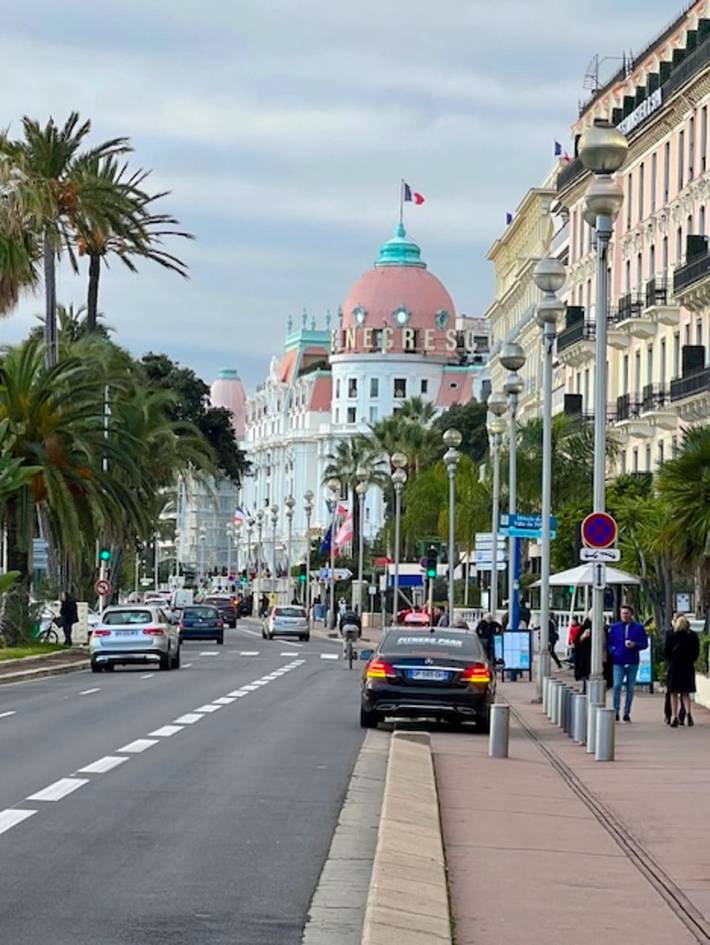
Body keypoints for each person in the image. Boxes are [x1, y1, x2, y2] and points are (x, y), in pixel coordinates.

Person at [608, 603, 649, 722]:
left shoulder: (638, 628)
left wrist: (635, 645)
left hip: (632, 661)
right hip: (618, 661)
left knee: (630, 688)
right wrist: (613, 651)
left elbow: (645, 643)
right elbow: (609, 643)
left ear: (631, 614)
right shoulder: (615, 628)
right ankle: (616, 710)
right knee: (617, 686)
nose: (624, 615)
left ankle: (627, 712)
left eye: (627, 613)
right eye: (622, 613)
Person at [665, 615, 699, 728]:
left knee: (673, 693)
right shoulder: (693, 636)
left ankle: (675, 716)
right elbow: (696, 653)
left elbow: (666, 652)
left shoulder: (671, 636)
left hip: (674, 666)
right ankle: (688, 715)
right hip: (687, 667)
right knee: (685, 693)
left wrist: (672, 660)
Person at [572, 615, 592, 690]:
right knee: (586, 674)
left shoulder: (602, 627)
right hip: (585, 656)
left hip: (595, 657)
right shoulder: (584, 627)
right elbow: (577, 642)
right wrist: (583, 636)